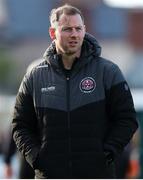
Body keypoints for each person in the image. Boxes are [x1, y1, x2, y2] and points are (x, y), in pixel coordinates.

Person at [11, 4, 138, 179]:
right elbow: (20, 125)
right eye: (67, 29)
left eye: (78, 29)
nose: (74, 34)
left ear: (84, 30)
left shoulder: (108, 72)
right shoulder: (35, 76)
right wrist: (36, 158)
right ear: (52, 33)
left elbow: (127, 119)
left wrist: (107, 154)